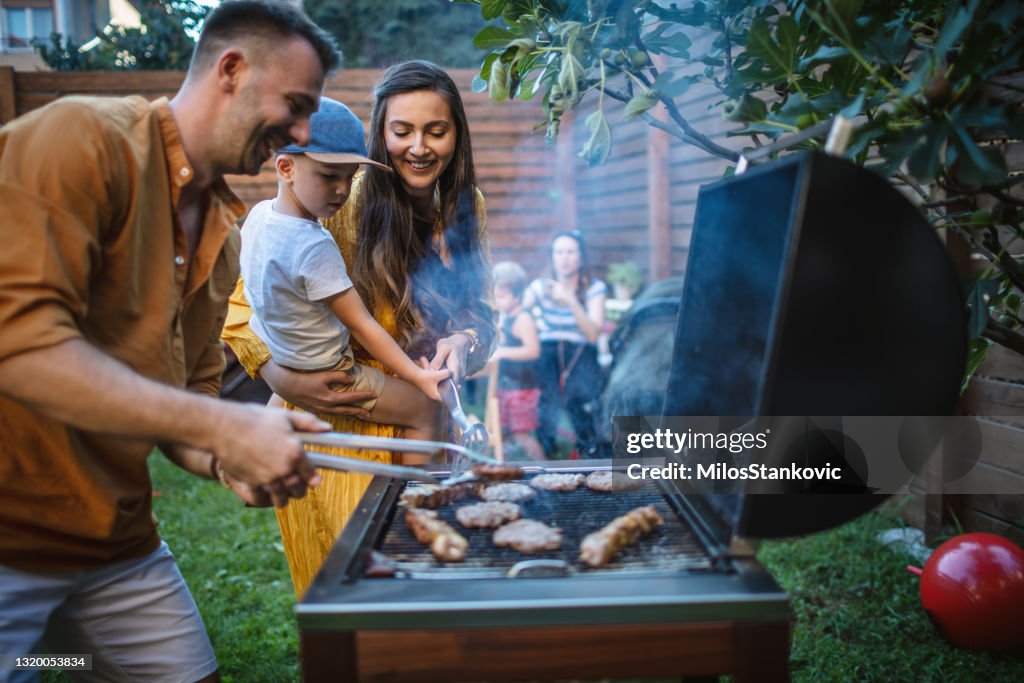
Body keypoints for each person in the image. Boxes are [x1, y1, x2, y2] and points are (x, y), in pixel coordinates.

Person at [0, 2, 340, 681]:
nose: (301, 133)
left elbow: (186, 397)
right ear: (232, 69)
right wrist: (222, 425)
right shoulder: (81, 138)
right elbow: (20, 344)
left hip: (116, 545)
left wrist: (224, 458)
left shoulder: (224, 234)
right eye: (296, 105)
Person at [222, 60, 496, 596]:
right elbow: (244, 307)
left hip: (428, 427)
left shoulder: (469, 207)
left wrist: (466, 342)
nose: (419, 147)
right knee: (350, 598)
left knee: (422, 589)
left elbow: (483, 314)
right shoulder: (340, 194)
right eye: (402, 131)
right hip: (342, 428)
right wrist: (281, 375)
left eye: (436, 131)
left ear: (457, 136)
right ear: (380, 134)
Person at [240, 97, 450, 451]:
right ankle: (415, 503)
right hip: (332, 373)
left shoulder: (259, 216)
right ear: (286, 167)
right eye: (328, 176)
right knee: (427, 411)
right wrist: (417, 375)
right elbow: (361, 325)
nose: (341, 189)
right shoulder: (313, 246)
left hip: (282, 354)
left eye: (350, 176)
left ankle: (257, 448)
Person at [522, 231, 608, 458]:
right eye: (559, 252)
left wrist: (570, 300)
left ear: (581, 257)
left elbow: (592, 334)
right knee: (547, 401)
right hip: (548, 348)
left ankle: (590, 453)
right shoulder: (540, 286)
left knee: (580, 400)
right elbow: (517, 309)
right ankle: (548, 454)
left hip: (581, 350)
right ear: (552, 256)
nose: (564, 258)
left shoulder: (594, 288)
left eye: (570, 252)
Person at [490, 262, 544, 461]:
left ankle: (544, 468)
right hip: (506, 385)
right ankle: (503, 469)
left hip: (523, 388)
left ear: (517, 295)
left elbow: (533, 350)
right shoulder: (506, 316)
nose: (497, 301)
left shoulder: (523, 319)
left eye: (502, 297)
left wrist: (503, 352)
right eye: (495, 296)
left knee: (522, 435)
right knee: (502, 432)